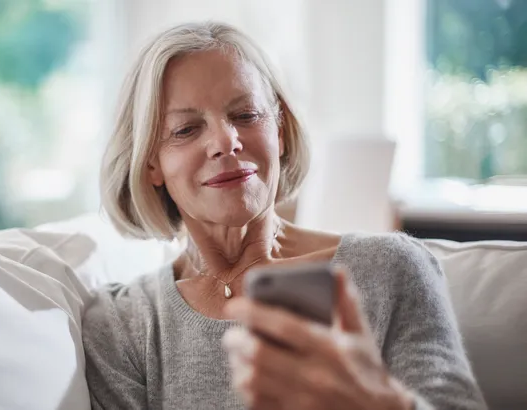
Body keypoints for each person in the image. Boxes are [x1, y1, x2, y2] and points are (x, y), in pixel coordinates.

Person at [82, 21, 486, 410]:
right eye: (186, 129)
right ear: (150, 163)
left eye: (246, 115)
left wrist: (378, 404)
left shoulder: (392, 269)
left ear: (279, 130)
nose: (226, 141)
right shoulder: (123, 323)